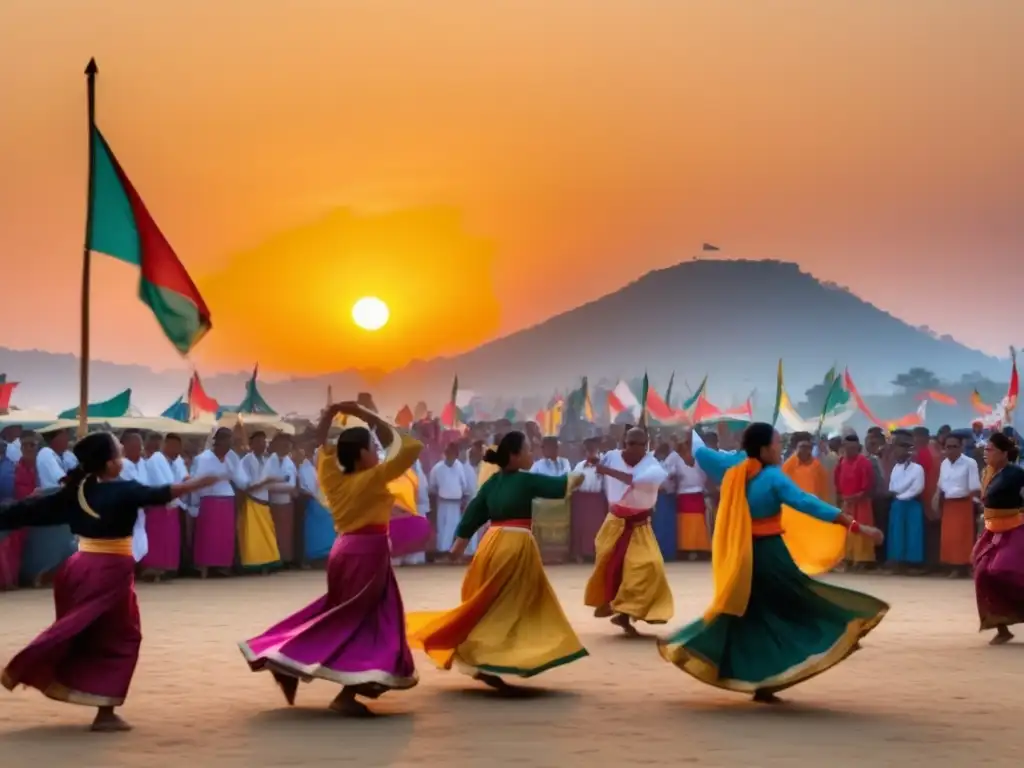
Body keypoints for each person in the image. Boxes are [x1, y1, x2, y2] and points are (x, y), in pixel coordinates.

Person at [0, 432, 220, 731]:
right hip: (108, 571)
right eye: (117, 455)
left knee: (87, 632)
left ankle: (72, 688)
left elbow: (25, 513)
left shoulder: (75, 492)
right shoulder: (120, 491)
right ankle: (97, 708)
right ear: (108, 464)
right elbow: (157, 494)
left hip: (78, 569)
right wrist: (194, 484)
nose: (122, 460)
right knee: (122, 637)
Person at [657, 423, 888, 702]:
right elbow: (806, 502)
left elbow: (703, 455)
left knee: (743, 613)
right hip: (768, 554)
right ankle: (839, 633)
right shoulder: (772, 478)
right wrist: (855, 526)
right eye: (777, 445)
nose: (780, 450)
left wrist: (687, 442)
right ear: (764, 449)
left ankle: (689, 647)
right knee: (796, 601)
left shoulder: (733, 467)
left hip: (742, 556)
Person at [240, 402, 422, 717]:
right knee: (368, 621)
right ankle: (337, 686)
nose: (377, 453)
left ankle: (291, 662)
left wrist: (331, 413)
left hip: (343, 550)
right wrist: (368, 416)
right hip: (368, 552)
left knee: (344, 615)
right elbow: (410, 446)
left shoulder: (330, 474)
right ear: (361, 455)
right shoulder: (375, 477)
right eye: (372, 448)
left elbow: (322, 443)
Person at [407, 431, 587, 690]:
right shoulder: (526, 480)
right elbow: (560, 486)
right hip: (515, 546)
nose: (531, 454)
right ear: (514, 456)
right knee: (515, 604)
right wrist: (582, 472)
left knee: (490, 603)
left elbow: (473, 514)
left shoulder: (491, 483)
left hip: (490, 545)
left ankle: (481, 652)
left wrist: (458, 547)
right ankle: (493, 655)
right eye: (527, 450)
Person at [584, 427, 674, 634]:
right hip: (614, 522)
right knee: (614, 566)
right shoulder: (611, 457)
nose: (632, 448)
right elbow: (594, 467)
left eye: (638, 444)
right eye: (629, 443)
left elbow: (634, 481)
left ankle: (637, 610)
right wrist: (593, 462)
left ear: (646, 446)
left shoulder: (654, 467)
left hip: (639, 526)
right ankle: (621, 612)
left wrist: (604, 470)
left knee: (649, 565)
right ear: (623, 442)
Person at [974, 432, 1024, 645]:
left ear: (1004, 453)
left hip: (1015, 529)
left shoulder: (1016, 473)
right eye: (985, 449)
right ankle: (1001, 627)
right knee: (983, 574)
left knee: (1006, 571)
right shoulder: (988, 472)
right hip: (992, 531)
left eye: (990, 449)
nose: (986, 453)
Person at [191, 428, 247, 578]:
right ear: (218, 442)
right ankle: (204, 568)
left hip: (227, 499)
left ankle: (223, 567)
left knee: (224, 536)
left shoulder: (232, 457)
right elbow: (195, 482)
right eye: (227, 441)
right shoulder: (203, 458)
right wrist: (195, 504)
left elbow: (242, 480)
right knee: (207, 536)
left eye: (231, 441)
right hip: (208, 500)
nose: (229, 444)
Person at [140, 433, 187, 581]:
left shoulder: (176, 461)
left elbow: (183, 478)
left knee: (170, 538)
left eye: (179, 447)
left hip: (173, 504)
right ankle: (152, 569)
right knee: (157, 538)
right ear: (166, 445)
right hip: (159, 504)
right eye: (174, 446)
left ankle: (166, 569)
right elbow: (164, 483)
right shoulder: (156, 460)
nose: (177, 450)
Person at [938, 434, 981, 577]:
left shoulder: (970, 463)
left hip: (964, 503)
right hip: (949, 504)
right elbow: (941, 484)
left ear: (961, 447)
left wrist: (976, 506)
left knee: (963, 536)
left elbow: (975, 487)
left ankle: (964, 567)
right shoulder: (944, 463)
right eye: (948, 447)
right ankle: (953, 566)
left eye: (954, 447)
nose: (950, 450)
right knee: (949, 537)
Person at [834, 434, 876, 570]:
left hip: (861, 501)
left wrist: (856, 497)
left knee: (861, 529)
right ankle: (848, 557)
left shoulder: (864, 462)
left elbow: (868, 485)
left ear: (857, 447)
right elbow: (837, 481)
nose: (849, 450)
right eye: (847, 447)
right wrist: (841, 497)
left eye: (853, 447)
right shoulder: (841, 462)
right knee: (846, 529)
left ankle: (863, 560)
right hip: (846, 502)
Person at [887, 434, 926, 573]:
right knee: (897, 533)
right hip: (898, 503)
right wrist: (901, 492)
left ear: (907, 451)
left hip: (912, 503)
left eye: (899, 450)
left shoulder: (917, 469)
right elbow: (892, 487)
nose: (896, 453)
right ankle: (898, 562)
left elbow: (918, 488)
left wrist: (902, 494)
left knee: (913, 533)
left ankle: (912, 564)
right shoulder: (896, 468)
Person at [429, 439, 471, 558]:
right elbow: (432, 487)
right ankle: (442, 552)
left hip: (456, 503)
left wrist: (463, 501)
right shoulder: (437, 468)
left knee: (454, 527)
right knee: (443, 528)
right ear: (445, 453)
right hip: (442, 503)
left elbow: (464, 486)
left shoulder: (460, 467)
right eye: (449, 453)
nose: (451, 456)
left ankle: (452, 553)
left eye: (453, 453)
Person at [570, 437, 607, 562]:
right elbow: (574, 482)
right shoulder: (580, 466)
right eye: (588, 450)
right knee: (581, 527)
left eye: (593, 450)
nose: (591, 452)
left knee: (597, 527)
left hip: (597, 499)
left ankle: (596, 553)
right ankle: (580, 554)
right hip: (583, 498)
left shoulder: (603, 465)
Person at [674, 432, 710, 560]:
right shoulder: (676, 459)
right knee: (685, 522)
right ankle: (686, 549)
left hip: (697, 493)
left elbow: (705, 475)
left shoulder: (700, 458)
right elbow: (673, 475)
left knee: (697, 522)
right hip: (683, 494)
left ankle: (700, 548)